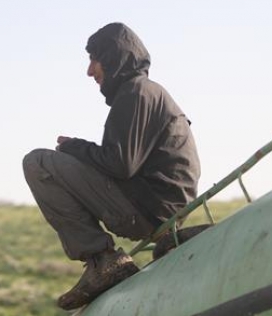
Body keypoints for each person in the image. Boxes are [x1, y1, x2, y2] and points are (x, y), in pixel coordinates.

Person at [22, 22, 200, 310]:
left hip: (147, 210)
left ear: (113, 57)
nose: (90, 71)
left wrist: (74, 147)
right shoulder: (146, 93)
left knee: (38, 162)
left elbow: (120, 164)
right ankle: (124, 252)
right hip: (161, 208)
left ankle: (102, 260)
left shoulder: (136, 92)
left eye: (94, 59)